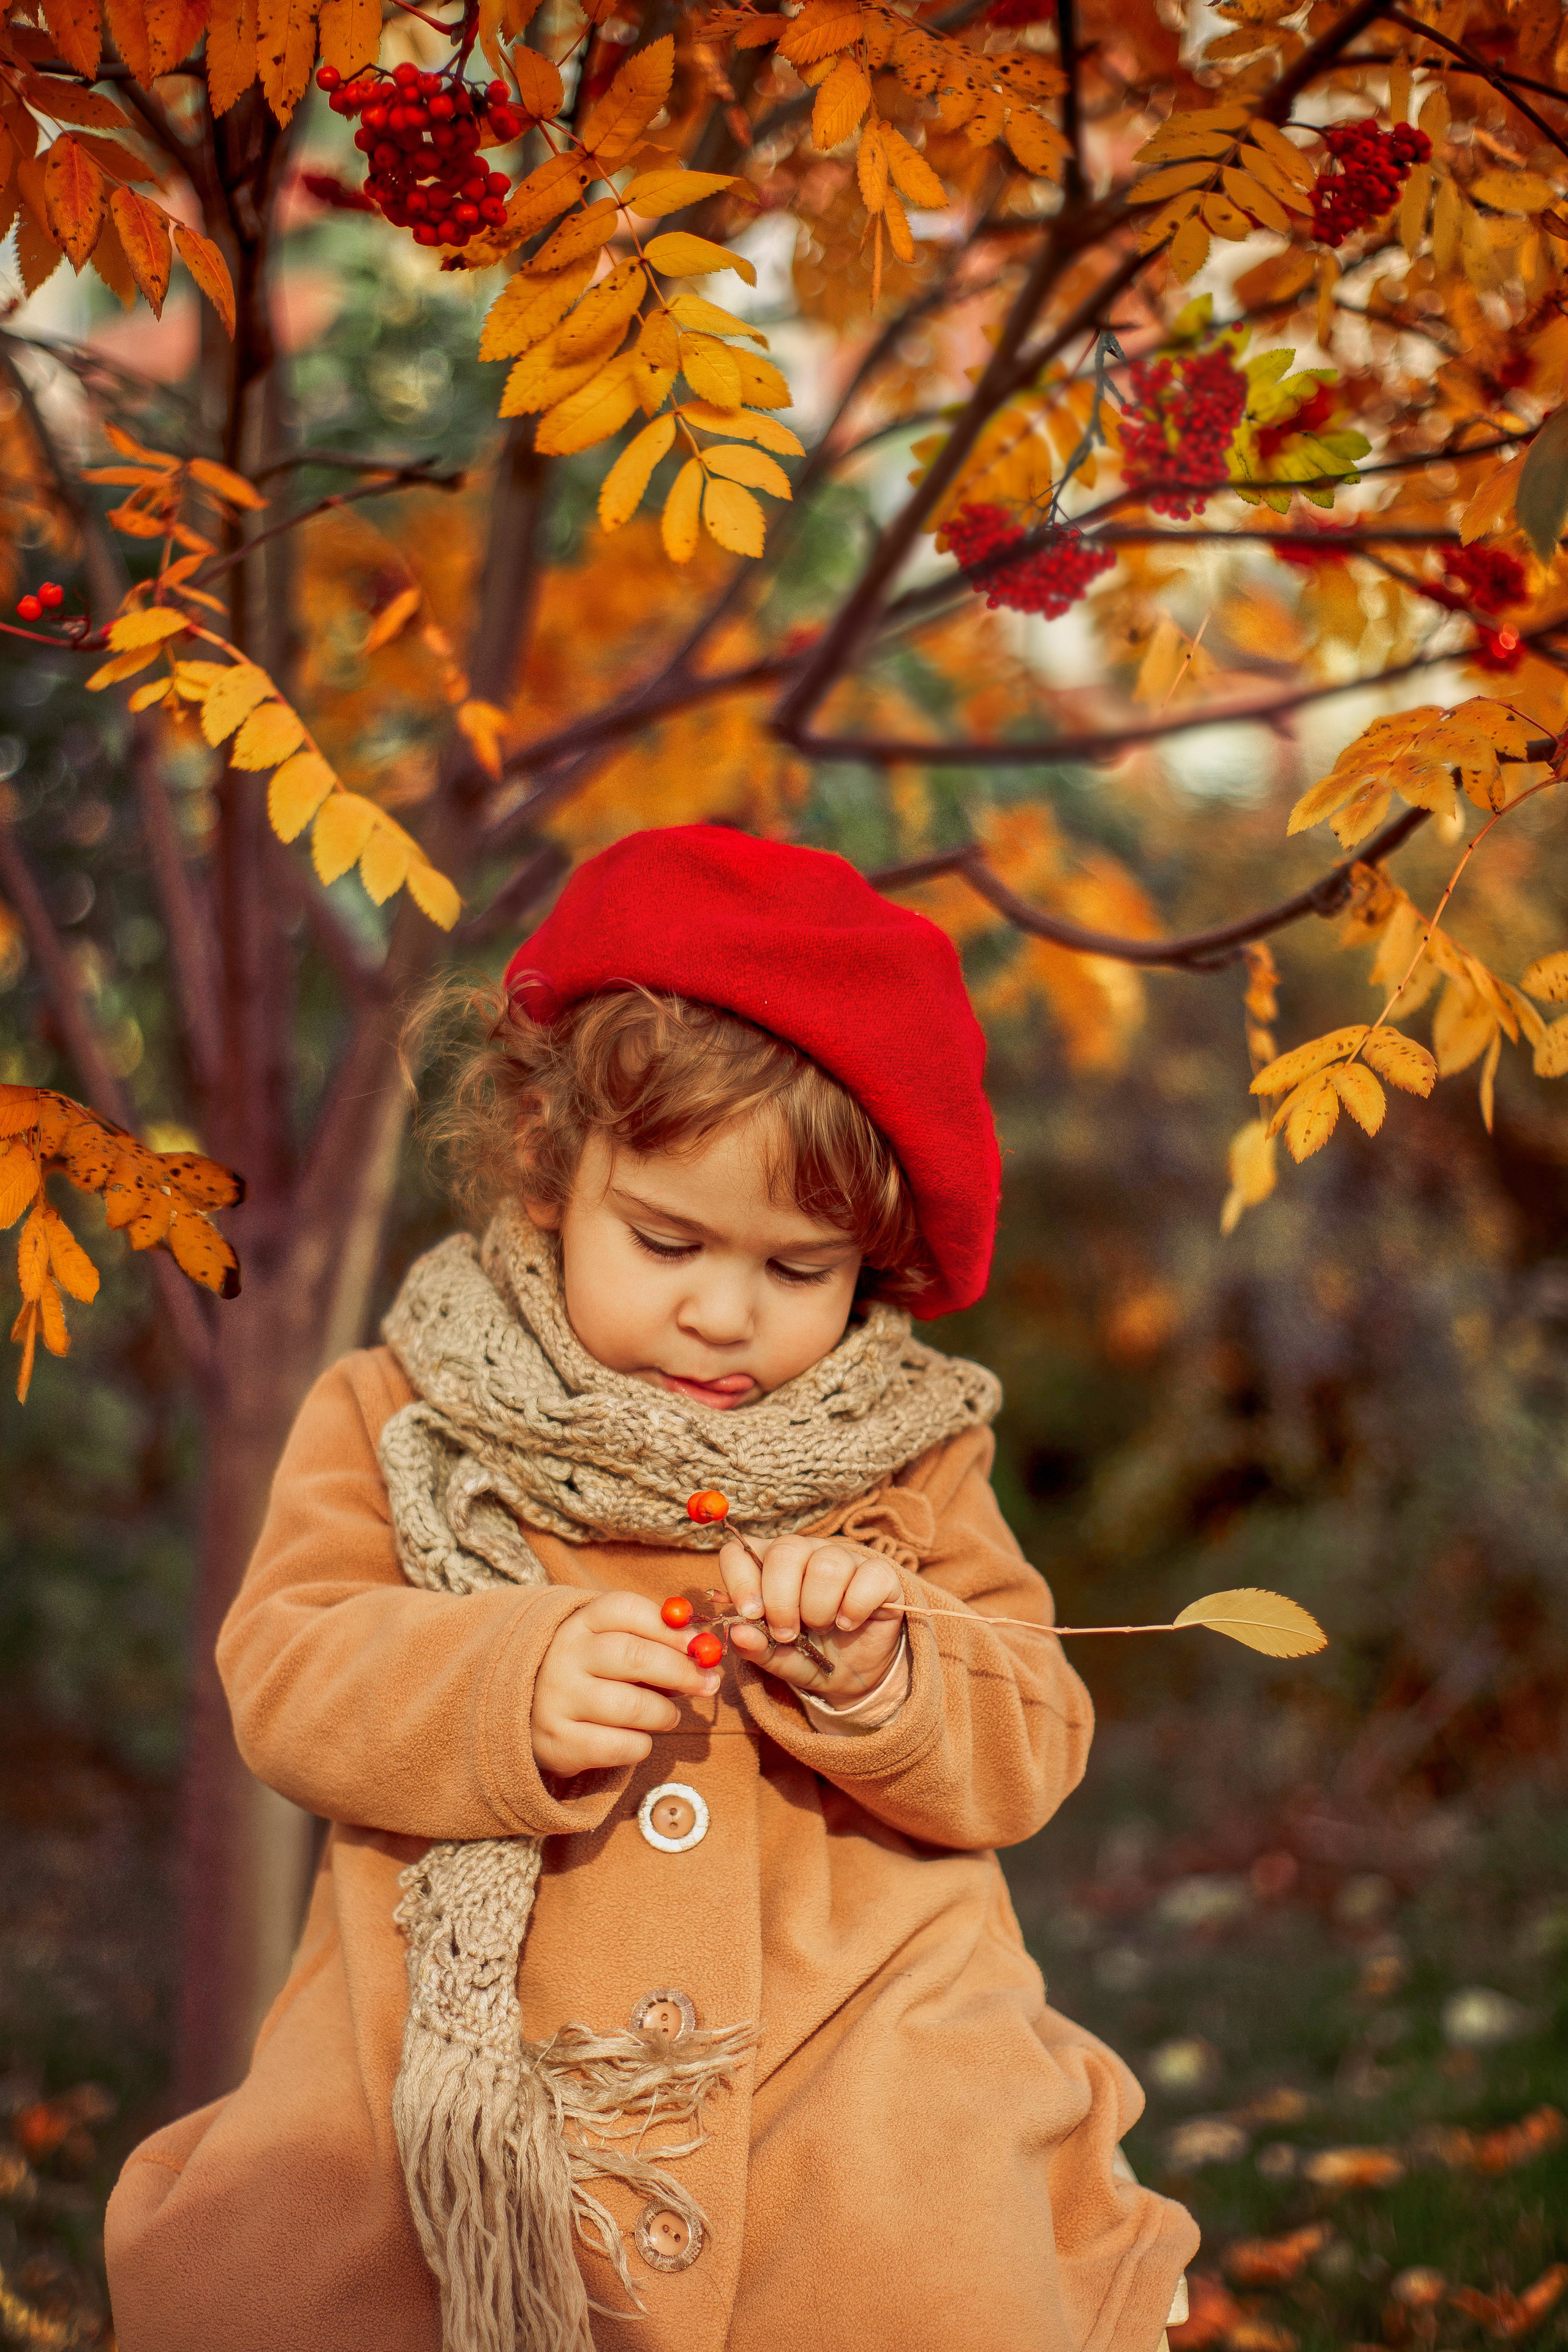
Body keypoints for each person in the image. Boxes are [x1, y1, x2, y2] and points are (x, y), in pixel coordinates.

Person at [105, 826, 1197, 2352]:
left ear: (870, 1261)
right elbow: (289, 1669)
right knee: (306, 2272)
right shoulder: (402, 1409)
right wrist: (503, 1680)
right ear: (549, 1167)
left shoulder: (909, 1450)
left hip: (858, 2052)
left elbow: (1026, 1740)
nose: (722, 1312)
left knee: (919, 2267)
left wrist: (882, 1676)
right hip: (456, 2041)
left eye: (798, 1269)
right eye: (668, 1240)